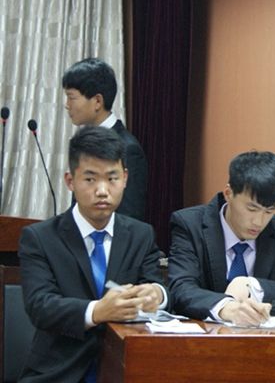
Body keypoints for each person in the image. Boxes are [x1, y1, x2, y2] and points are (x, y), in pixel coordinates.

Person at [18, 126, 168, 382]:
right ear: (70, 181)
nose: (102, 190)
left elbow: (157, 285)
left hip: (127, 368)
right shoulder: (40, 238)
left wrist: (157, 294)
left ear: (125, 178)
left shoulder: (140, 234)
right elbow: (40, 305)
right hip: (60, 373)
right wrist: (97, 311)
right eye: (90, 179)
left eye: (112, 178)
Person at [168, 151, 275, 326]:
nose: (259, 222)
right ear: (228, 193)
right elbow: (181, 289)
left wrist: (252, 286)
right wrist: (226, 308)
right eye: (251, 209)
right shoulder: (190, 225)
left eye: (269, 211)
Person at [62, 57, 148, 221]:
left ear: (97, 101)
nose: (67, 105)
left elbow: (129, 217)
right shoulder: (83, 143)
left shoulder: (128, 148)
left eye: (71, 97)